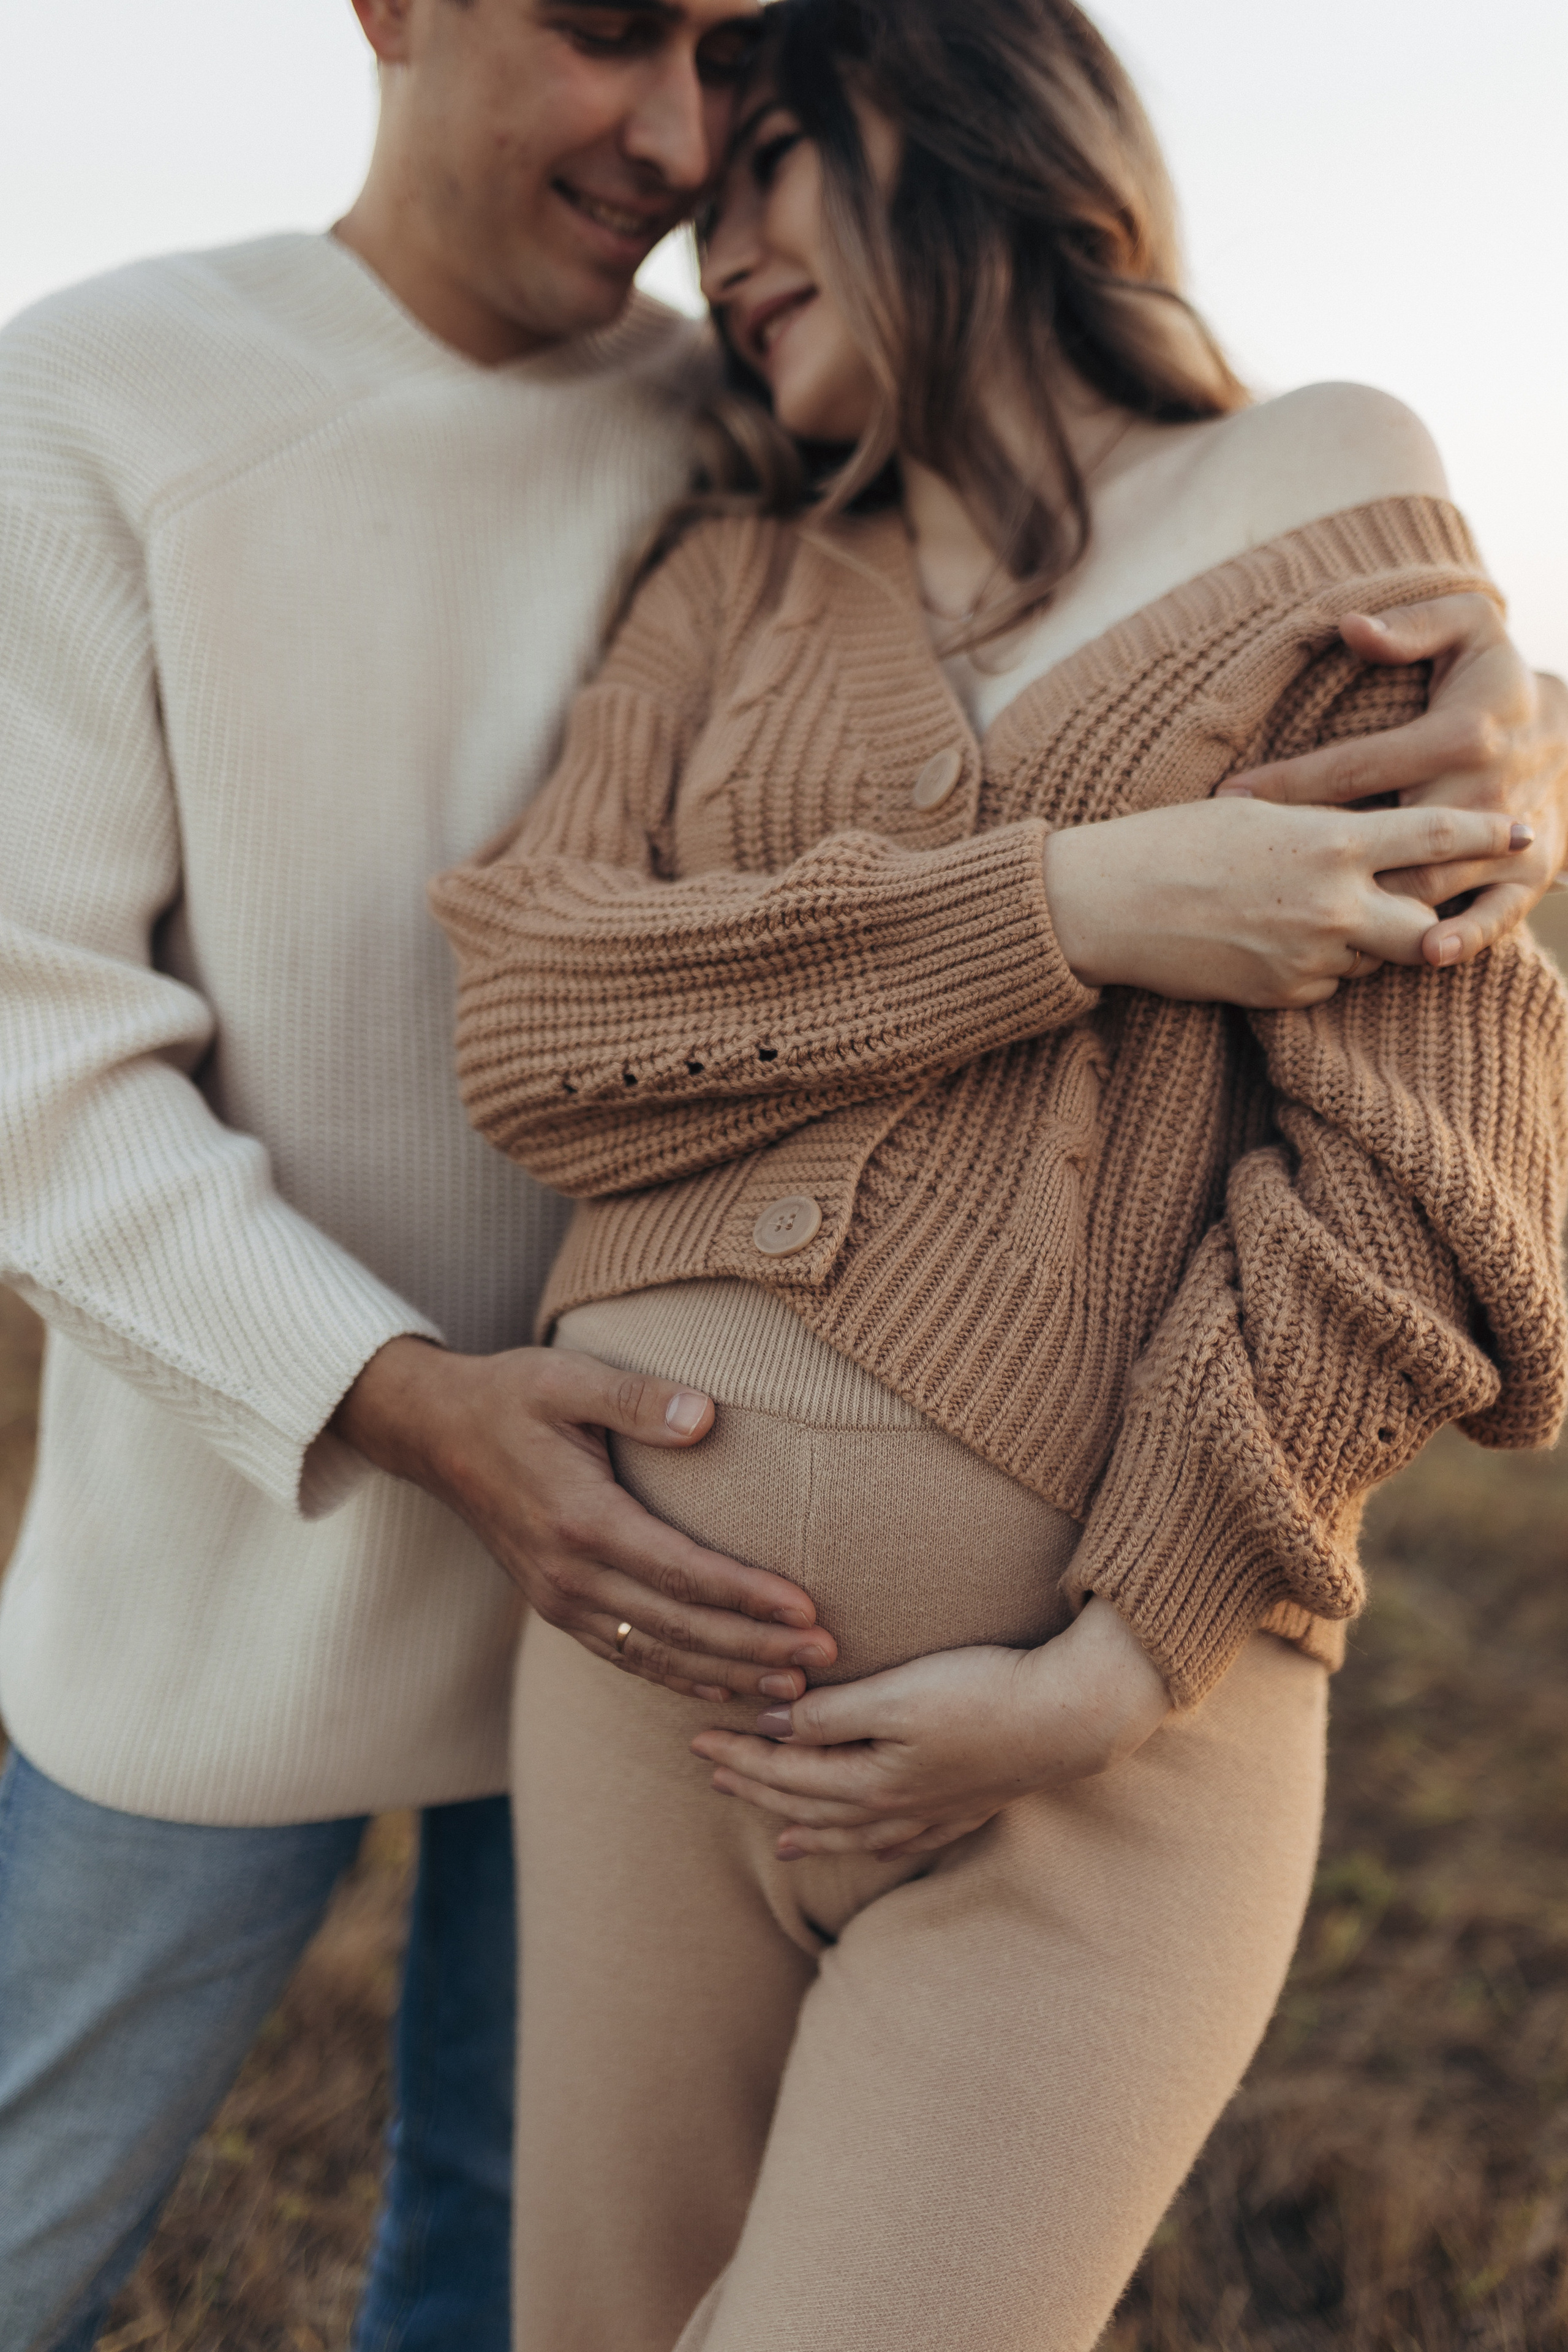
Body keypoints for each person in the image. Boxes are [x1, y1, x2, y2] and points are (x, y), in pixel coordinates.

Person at [430, 4, 1568, 2346]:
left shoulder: (1320, 479)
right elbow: (536, 1028)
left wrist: (1113, 1661)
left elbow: (1421, 1165)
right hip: (649, 1704)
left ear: (954, 119)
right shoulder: (732, 575)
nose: (706, 237)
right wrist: (1074, 907)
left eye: (767, 162)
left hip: (1096, 1754)